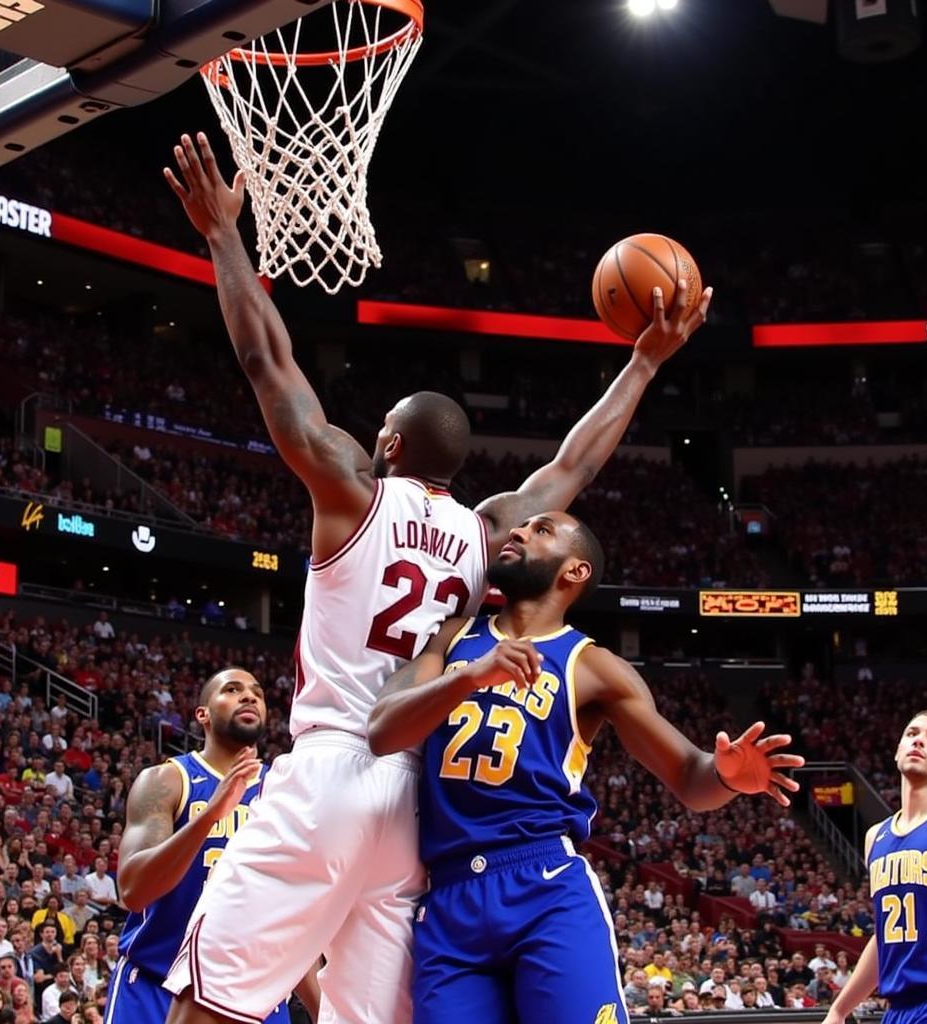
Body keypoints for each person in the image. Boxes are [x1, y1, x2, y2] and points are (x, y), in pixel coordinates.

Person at [161, 131, 712, 1024]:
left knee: (210, 1005)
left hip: (334, 767)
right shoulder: (487, 532)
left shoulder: (349, 489)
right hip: (413, 816)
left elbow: (269, 363)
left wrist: (224, 235)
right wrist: (644, 362)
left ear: (384, 444)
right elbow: (573, 463)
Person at [367, 510, 802, 1023]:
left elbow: (689, 776)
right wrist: (469, 678)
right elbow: (382, 731)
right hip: (449, 898)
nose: (519, 532)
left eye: (541, 530)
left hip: (543, 884)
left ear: (574, 571)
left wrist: (727, 777)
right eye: (522, 526)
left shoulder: (594, 667)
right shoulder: (455, 636)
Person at [111, 670, 317, 1024]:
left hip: (253, 995)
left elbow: (290, 914)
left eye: (257, 693)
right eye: (232, 690)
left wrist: (322, 1010)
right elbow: (133, 890)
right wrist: (209, 816)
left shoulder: (285, 791)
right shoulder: (168, 780)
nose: (249, 697)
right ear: (202, 714)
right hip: (155, 983)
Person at [824, 709, 927, 1024]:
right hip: (897, 1011)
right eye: (912, 734)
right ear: (897, 751)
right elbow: (886, 936)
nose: (919, 740)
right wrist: (839, 1009)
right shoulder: (875, 837)